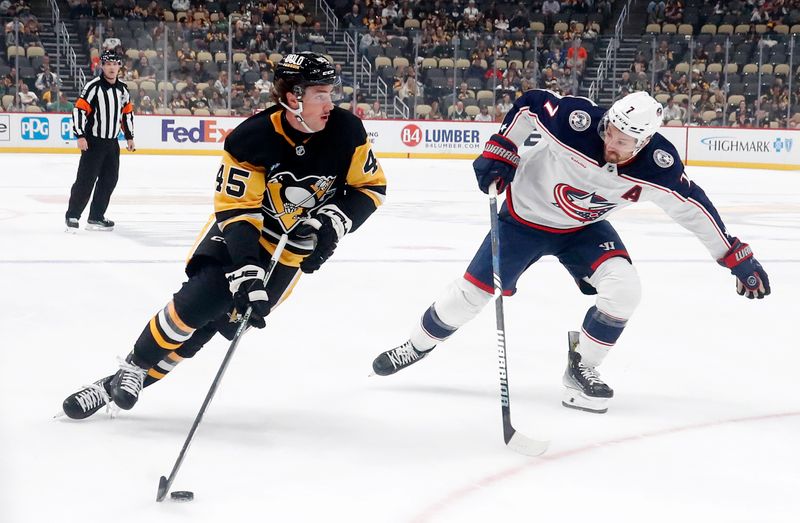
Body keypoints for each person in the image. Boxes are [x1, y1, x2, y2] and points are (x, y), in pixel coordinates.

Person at [371, 90, 770, 414]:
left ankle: (583, 367)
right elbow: (529, 104)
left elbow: (693, 209)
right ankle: (417, 345)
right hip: (522, 221)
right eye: (610, 131)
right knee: (470, 295)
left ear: (645, 141)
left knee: (625, 289)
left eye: (623, 141)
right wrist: (502, 150)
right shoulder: (576, 120)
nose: (610, 142)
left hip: (583, 229)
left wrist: (734, 256)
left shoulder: (657, 166)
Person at [60, 52, 387, 420]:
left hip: (287, 256)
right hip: (240, 237)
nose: (330, 102)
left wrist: (331, 224)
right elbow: (238, 211)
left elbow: (370, 187)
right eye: (320, 94)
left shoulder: (347, 131)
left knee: (212, 326)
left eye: (330, 93)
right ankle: (135, 366)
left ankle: (108, 387)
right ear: (294, 97)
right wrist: (246, 269)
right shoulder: (252, 138)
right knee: (198, 303)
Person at [65, 50, 135, 233]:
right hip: (93, 142)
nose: (112, 67)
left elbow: (127, 113)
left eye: (115, 64)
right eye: (108, 64)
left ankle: (96, 217)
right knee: (86, 180)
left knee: (109, 180)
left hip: (112, 143)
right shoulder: (93, 86)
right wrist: (80, 135)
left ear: (120, 66)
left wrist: (129, 137)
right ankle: (72, 215)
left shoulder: (123, 89)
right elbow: (79, 110)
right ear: (102, 66)